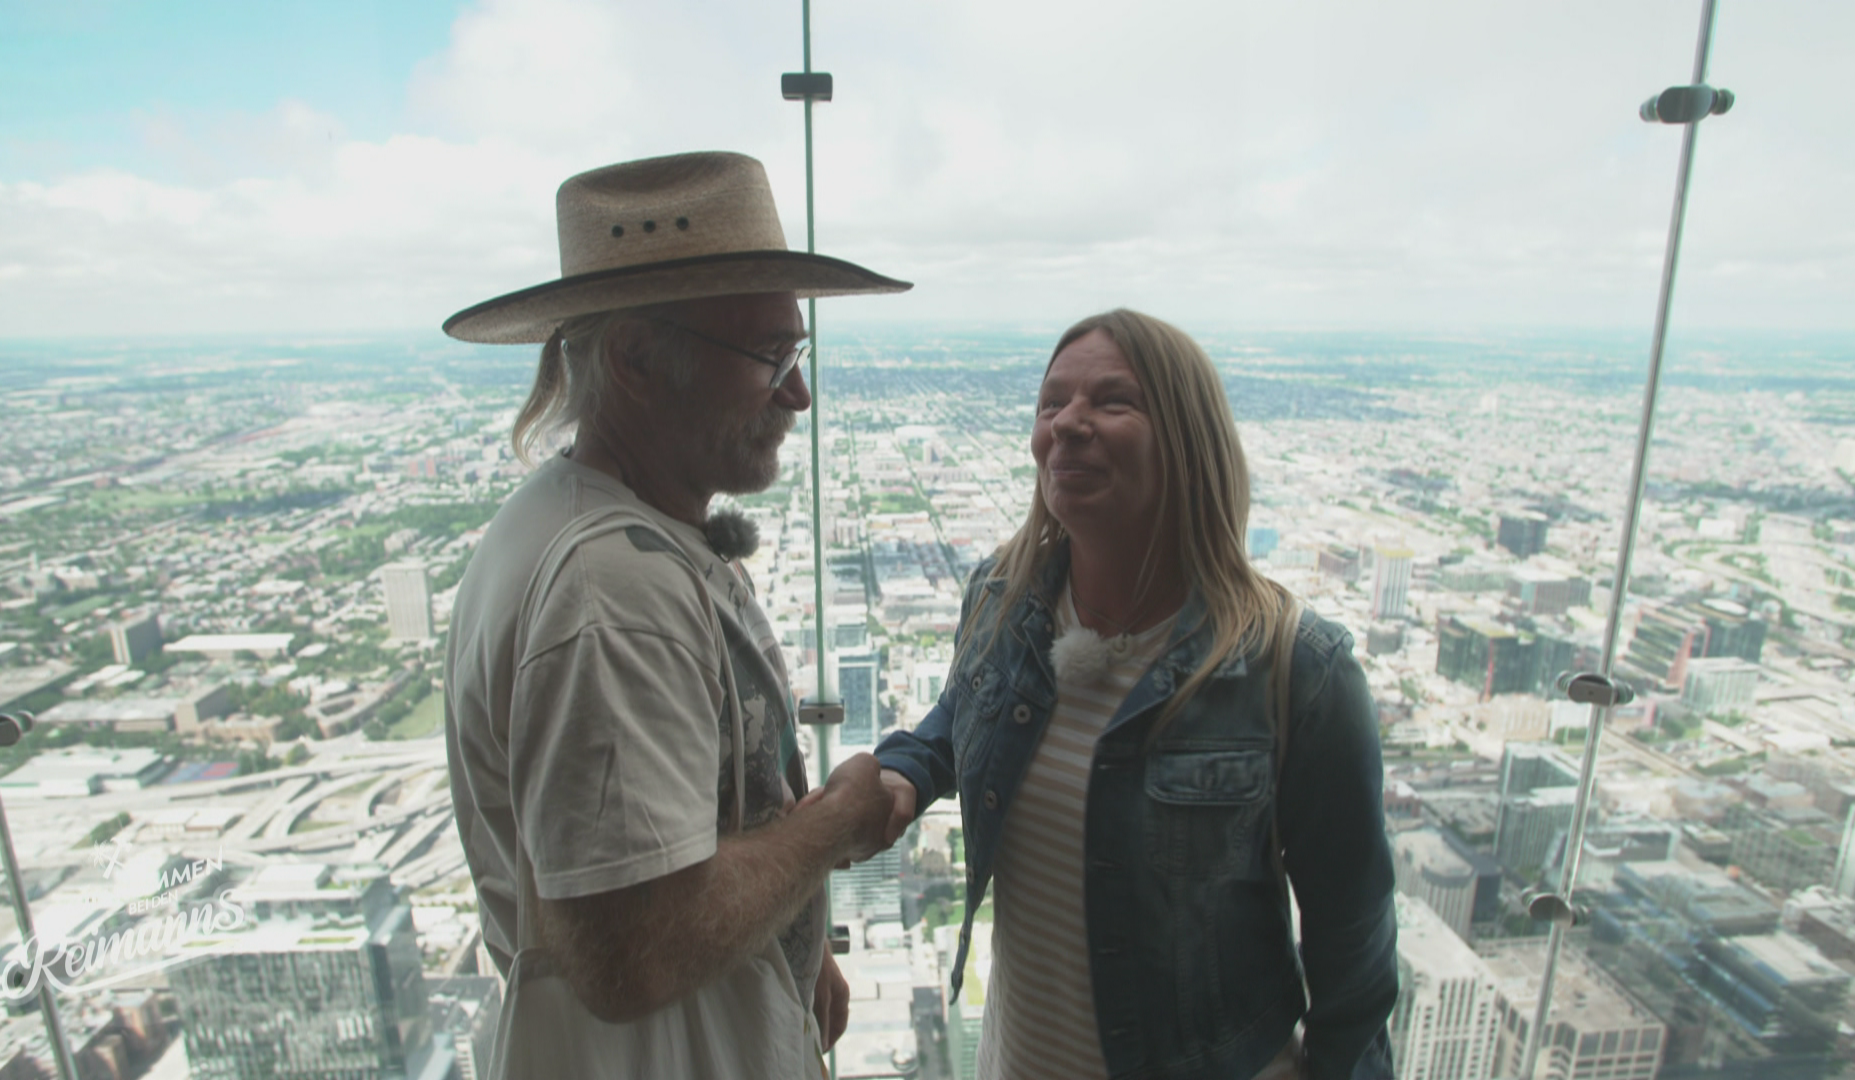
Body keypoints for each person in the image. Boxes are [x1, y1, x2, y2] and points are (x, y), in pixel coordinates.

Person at [441, 151, 911, 1078]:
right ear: (637, 360)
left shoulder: (581, 516)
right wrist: (830, 828)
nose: (798, 394)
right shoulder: (610, 587)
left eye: (798, 353)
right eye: (771, 357)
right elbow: (633, 951)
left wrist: (794, 940)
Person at [874, 309, 1397, 1080]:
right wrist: (905, 772)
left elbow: (1353, 961)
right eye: (1051, 403)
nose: (1069, 423)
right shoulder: (1001, 596)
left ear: (1188, 441)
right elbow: (965, 714)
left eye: (1113, 402)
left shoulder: (1297, 670)